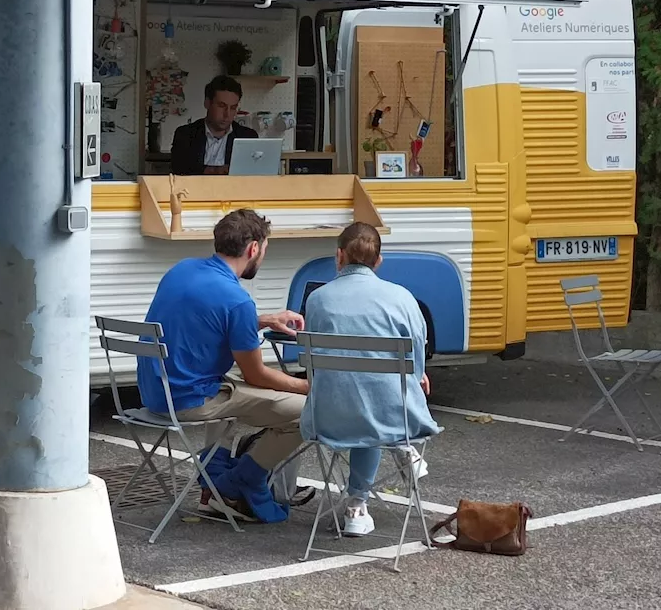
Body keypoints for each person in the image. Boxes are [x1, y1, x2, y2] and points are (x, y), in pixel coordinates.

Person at [136, 209, 307, 523]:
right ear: (253, 248)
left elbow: (209, 323)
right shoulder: (236, 300)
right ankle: (238, 481)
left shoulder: (182, 269)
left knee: (230, 382)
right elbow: (258, 374)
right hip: (189, 401)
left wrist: (264, 320)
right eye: (265, 250)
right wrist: (310, 387)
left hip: (155, 391)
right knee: (307, 412)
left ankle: (212, 480)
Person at [300, 222, 442, 537]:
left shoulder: (318, 300)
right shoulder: (402, 298)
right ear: (378, 261)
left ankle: (356, 505)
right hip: (393, 417)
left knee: (357, 395)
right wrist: (418, 377)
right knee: (382, 398)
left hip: (329, 417)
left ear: (339, 256)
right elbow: (417, 356)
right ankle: (396, 453)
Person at [169, 75, 258, 175]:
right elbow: (178, 169)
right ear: (207, 103)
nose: (227, 114)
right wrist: (216, 171)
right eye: (221, 106)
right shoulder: (185, 134)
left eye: (233, 108)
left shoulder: (247, 137)